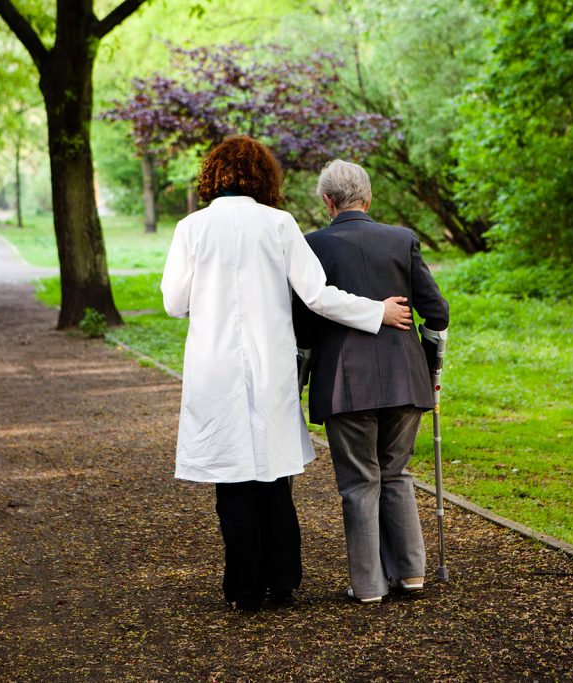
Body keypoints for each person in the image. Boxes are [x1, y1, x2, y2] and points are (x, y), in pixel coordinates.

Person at [160, 137, 413, 612]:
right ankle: (283, 580)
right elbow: (317, 295)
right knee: (274, 476)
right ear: (264, 177)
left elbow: (174, 303)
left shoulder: (190, 228)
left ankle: (244, 589)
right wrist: (376, 312)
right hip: (270, 364)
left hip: (215, 367)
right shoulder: (279, 224)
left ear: (213, 175)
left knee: (232, 479)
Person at [293, 159, 450, 604]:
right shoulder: (402, 239)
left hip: (345, 384)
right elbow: (436, 312)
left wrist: (301, 373)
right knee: (396, 472)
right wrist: (429, 360)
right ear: (369, 197)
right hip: (406, 378)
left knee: (360, 481)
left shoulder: (312, 247)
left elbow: (304, 322)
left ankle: (367, 586)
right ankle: (411, 573)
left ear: (327, 201)